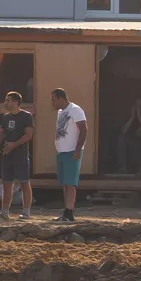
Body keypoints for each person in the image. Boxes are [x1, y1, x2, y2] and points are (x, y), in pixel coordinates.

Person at [50, 86, 88, 222]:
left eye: (54, 99)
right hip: (61, 151)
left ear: (61, 98)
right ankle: (65, 211)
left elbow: (83, 130)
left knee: (70, 183)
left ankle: (70, 211)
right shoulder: (61, 112)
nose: (52, 102)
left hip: (72, 151)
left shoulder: (75, 110)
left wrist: (78, 149)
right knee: (65, 183)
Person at [0, 90, 34, 219]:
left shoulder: (26, 116)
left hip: (20, 154)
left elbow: (28, 135)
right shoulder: (6, 117)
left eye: (8, 100)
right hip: (7, 154)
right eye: (5, 100)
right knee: (6, 183)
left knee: (24, 182)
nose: (5, 102)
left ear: (16, 102)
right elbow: (2, 132)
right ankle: (4, 211)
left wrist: (14, 145)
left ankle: (26, 211)